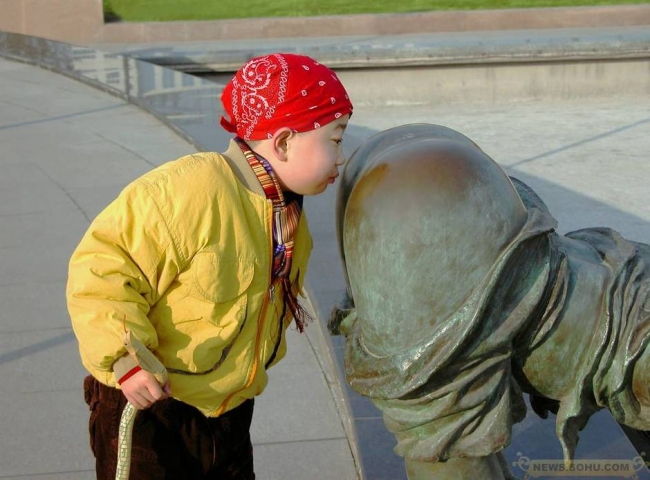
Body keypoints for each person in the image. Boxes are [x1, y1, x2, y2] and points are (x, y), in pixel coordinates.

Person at [66, 52, 353, 479]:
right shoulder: (189, 191)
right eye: (335, 138)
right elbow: (103, 266)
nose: (342, 156)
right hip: (151, 403)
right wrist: (124, 359)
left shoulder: (282, 211)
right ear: (284, 141)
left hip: (227, 407)